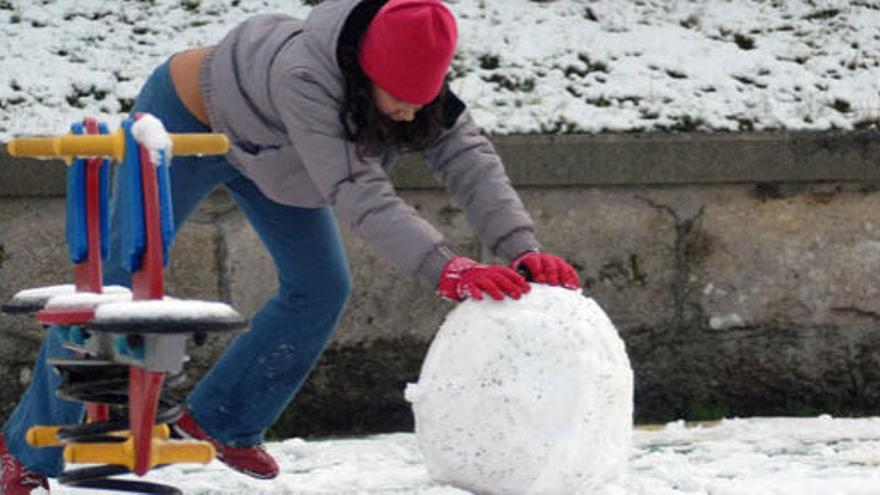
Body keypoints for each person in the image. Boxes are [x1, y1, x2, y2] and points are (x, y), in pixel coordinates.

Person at [0, 0, 581, 491]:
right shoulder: (306, 75)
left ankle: (222, 420)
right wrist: (445, 267)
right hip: (183, 122)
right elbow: (357, 188)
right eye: (396, 99)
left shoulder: (418, 90)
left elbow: (470, 161)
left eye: (419, 102)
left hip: (276, 158)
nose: (408, 113)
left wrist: (519, 248)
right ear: (362, 74)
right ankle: (23, 454)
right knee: (114, 288)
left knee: (322, 286)